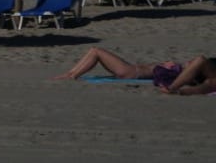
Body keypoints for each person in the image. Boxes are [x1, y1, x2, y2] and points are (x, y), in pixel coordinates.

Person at [53, 47, 216, 94]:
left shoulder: (183, 73)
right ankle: (71, 74)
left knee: (96, 51)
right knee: (95, 51)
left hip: (131, 72)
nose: (189, 62)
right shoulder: (183, 71)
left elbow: (205, 81)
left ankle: (72, 75)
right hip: (132, 70)